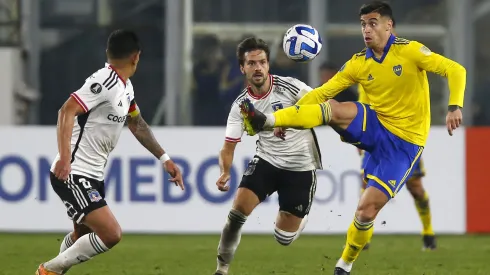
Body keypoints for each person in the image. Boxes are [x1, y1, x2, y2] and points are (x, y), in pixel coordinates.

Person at [238, 1, 465, 274]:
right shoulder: (359, 63)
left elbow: (456, 70)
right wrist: (284, 117)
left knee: (366, 212)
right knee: (333, 108)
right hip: (377, 125)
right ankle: (265, 120)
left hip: (405, 144)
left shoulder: (411, 51)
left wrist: (454, 106)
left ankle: (344, 265)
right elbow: (321, 93)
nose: (366, 30)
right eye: (362, 24)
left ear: (388, 25)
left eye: (372, 23)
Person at [36, 29, 184, 275]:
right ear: (136, 57)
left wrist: (164, 158)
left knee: (80, 236)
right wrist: (64, 157)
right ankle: (48, 270)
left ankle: (55, 271)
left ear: (108, 52)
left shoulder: (126, 88)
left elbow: (137, 124)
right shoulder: (104, 81)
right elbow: (66, 111)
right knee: (111, 234)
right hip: (75, 172)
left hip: (93, 175)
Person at [214, 37, 322, 275]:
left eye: (262, 62)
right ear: (242, 68)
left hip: (300, 165)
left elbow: (320, 105)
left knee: (284, 238)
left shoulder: (291, 86)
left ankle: (301, 215)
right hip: (267, 161)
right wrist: (224, 172)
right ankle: (221, 269)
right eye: (251, 63)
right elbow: (228, 146)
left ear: (268, 64)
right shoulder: (241, 105)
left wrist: (288, 117)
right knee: (236, 213)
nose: (258, 68)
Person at [358, 84, 436, 251]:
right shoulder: (364, 67)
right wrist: (361, 131)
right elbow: (363, 102)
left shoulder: (401, 67)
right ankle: (363, 238)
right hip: (376, 137)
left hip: (402, 139)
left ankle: (428, 232)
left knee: (416, 188)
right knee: (366, 185)